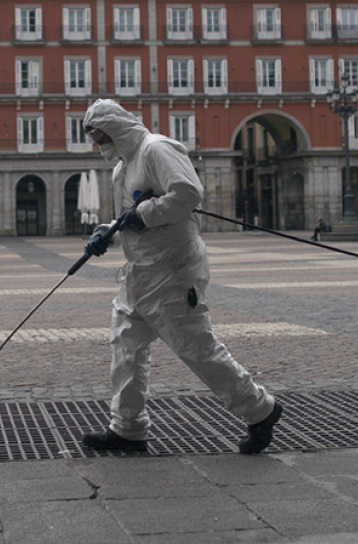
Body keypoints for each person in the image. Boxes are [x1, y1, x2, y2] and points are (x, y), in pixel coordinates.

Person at [80, 98, 283, 454]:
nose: (99, 146)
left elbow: (188, 193)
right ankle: (127, 428)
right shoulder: (122, 168)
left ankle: (260, 410)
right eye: (95, 139)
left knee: (196, 347)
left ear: (116, 128)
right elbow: (130, 216)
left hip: (174, 269)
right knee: (125, 347)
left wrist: (144, 213)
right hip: (139, 272)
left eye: (101, 137)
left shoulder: (157, 149)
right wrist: (106, 231)